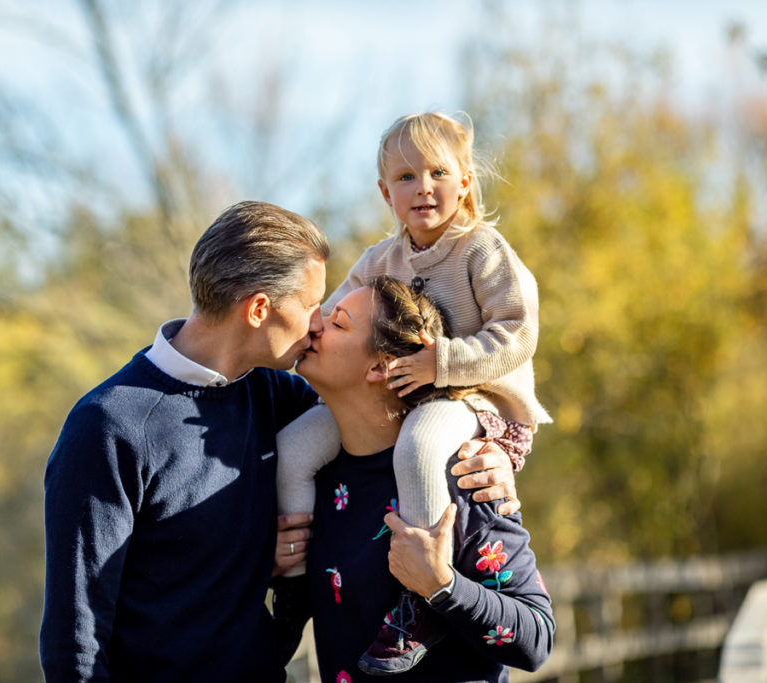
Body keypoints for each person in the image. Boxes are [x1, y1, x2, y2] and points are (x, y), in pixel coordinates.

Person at [40, 200, 520, 682]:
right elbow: (75, 640)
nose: (319, 322)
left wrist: (491, 438)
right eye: (313, 306)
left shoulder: (275, 395)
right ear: (259, 310)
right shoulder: (108, 427)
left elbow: (382, 406)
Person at [276, 112, 551, 674]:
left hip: (472, 401)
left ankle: (417, 603)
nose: (422, 186)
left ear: (466, 181)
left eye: (437, 172)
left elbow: (517, 333)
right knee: (294, 448)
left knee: (419, 448)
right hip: (406, 393)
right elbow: (327, 315)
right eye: (405, 177)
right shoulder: (380, 262)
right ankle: (294, 565)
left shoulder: (482, 251)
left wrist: (442, 362)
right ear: (385, 193)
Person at [274, 276, 554, 682]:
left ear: (381, 366)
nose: (315, 325)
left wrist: (441, 586)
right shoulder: (317, 482)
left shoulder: (461, 474)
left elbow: (536, 640)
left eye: (339, 323)